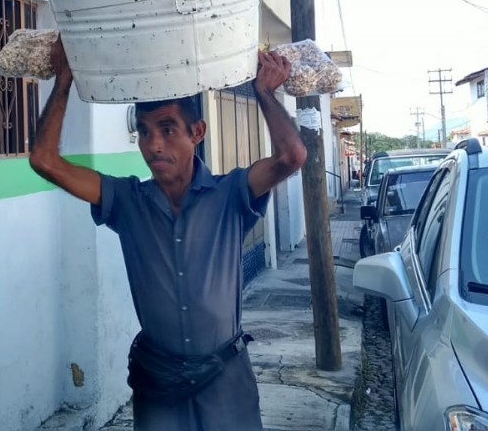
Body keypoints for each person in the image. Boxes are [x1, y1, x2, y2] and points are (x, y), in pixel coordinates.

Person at [29, 38, 307, 430]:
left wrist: (265, 91)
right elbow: (45, 161)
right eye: (144, 132)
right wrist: (63, 81)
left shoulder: (230, 194)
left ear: (197, 132)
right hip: (158, 383)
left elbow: (291, 157)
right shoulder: (126, 200)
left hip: (225, 381)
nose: (153, 145)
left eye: (167, 129)